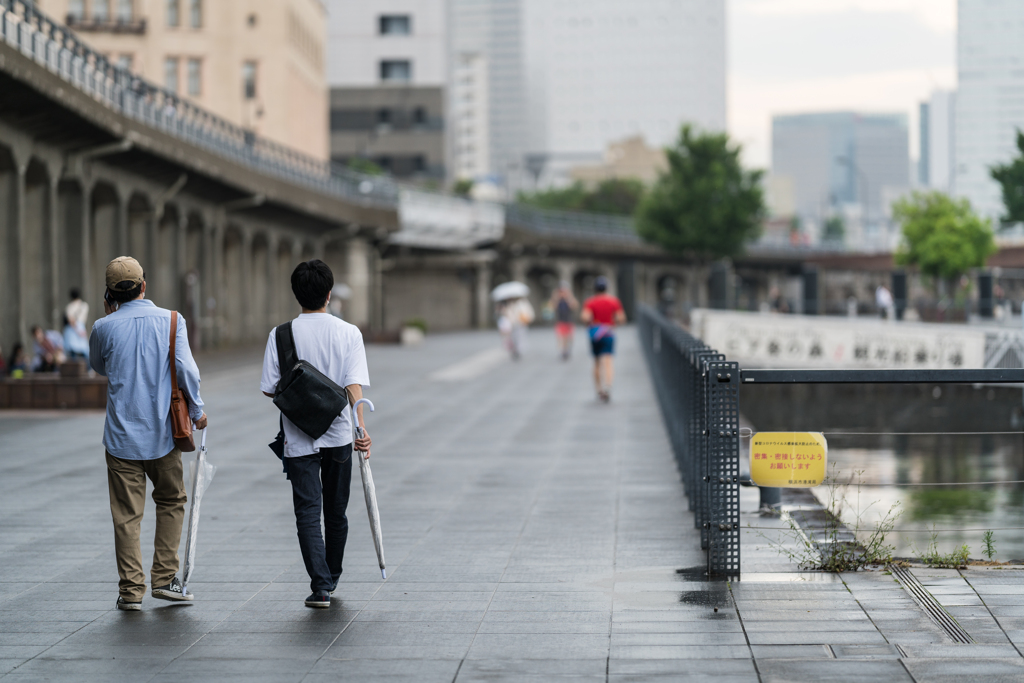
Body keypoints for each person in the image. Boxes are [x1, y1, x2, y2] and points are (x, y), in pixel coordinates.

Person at [89, 256, 207, 612]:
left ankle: (130, 591)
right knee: (171, 501)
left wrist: (109, 317)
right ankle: (165, 580)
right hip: (164, 434)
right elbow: (187, 370)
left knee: (126, 514)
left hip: (121, 438)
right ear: (144, 286)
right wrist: (198, 411)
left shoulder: (102, 327)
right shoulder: (172, 320)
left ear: (109, 294)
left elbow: (98, 366)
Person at [260, 260, 372, 609]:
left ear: (297, 294)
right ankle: (332, 574)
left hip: (298, 436)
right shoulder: (348, 332)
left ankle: (320, 586)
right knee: (336, 511)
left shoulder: (280, 335)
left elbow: (269, 389)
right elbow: (353, 386)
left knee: (308, 511)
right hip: (339, 434)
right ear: (328, 294)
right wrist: (361, 428)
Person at [581, 276, 625, 402]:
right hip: (608, 333)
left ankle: (599, 389)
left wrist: (592, 322)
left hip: (595, 334)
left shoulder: (590, 301)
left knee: (596, 362)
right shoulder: (613, 301)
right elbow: (621, 318)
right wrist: (612, 322)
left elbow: (585, 317)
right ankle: (608, 387)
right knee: (608, 361)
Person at [549, 282, 578, 360]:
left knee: (569, 338)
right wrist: (555, 297)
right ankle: (563, 351)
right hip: (560, 322)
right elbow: (552, 307)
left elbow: (574, 306)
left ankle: (567, 350)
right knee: (561, 338)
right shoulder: (557, 300)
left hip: (569, 321)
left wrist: (569, 296)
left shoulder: (569, 299)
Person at [64, 287, 90, 360]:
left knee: (73, 353)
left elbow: (71, 320)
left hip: (72, 329)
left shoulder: (69, 306)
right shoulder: (84, 305)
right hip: (81, 327)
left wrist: (77, 330)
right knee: (84, 351)